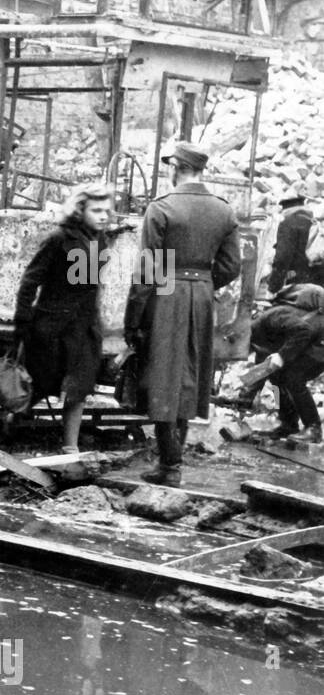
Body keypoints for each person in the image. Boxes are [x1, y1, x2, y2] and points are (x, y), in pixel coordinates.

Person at [124, 140, 241, 486]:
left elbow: (147, 269)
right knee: (191, 372)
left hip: (166, 294)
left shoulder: (162, 208)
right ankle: (172, 461)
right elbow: (232, 266)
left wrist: (133, 320)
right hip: (203, 296)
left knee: (164, 373)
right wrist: (203, 283)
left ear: (175, 168)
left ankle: (170, 465)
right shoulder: (224, 210)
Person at [14, 182, 114, 453]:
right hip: (53, 324)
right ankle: (12, 420)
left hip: (84, 325)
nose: (104, 215)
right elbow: (30, 280)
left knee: (79, 386)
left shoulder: (100, 240)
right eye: (96, 210)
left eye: (107, 210)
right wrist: (22, 320)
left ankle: (70, 447)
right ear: (80, 211)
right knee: (41, 383)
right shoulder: (59, 238)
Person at [245, 283, 324, 443]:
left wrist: (281, 356)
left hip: (319, 340)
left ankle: (313, 428)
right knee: (276, 378)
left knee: (293, 377)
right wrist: (248, 394)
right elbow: (264, 369)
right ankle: (288, 424)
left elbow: (304, 331)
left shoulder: (271, 318)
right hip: (310, 341)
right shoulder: (259, 341)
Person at [267, 186, 321, 294]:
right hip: (317, 278)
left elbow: (282, 257)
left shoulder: (288, 222)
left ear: (284, 206)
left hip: (298, 281)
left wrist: (273, 286)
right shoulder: (313, 220)